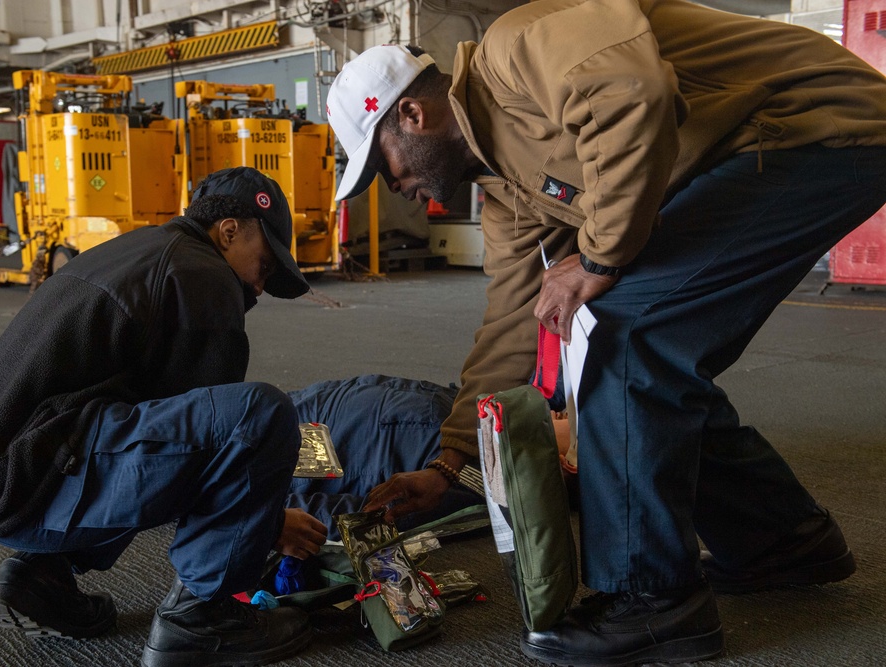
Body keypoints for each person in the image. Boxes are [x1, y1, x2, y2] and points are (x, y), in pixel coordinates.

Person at [325, 2, 886, 665]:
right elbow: (512, 319)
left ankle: (654, 600)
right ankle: (780, 539)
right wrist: (448, 464)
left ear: (410, 116)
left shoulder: (514, 49)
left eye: (385, 166)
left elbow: (633, 92)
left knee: (622, 333)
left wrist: (595, 257)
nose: (397, 188)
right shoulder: (506, 192)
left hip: (811, 126)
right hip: (759, 151)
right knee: (635, 341)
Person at [0, 167, 329, 667]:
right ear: (228, 231)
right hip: (21, 483)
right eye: (265, 266)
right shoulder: (204, 278)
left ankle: (41, 580)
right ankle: (202, 621)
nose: (261, 286)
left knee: (124, 418)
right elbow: (207, 452)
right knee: (262, 415)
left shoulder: (138, 249)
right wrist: (268, 524)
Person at [286, 374, 574, 537]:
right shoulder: (481, 413)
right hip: (317, 408)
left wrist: (268, 528)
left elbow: (341, 517)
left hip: (391, 451)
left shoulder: (459, 483)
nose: (551, 410)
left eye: (560, 416)